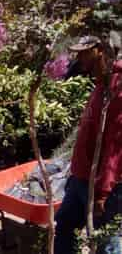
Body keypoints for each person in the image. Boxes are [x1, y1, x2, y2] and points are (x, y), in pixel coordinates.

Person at [54, 36, 122, 254]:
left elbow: (116, 144)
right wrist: (73, 174)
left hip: (104, 186)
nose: (79, 57)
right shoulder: (100, 85)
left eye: (85, 52)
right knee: (64, 226)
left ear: (100, 51)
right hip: (80, 180)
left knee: (106, 241)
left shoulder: (117, 88)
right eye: (77, 52)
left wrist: (103, 191)